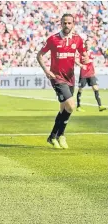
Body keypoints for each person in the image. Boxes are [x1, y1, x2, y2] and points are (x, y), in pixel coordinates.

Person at [37, 14, 89, 149]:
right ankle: (61, 135)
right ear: (61, 24)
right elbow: (40, 55)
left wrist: (85, 58)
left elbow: (83, 53)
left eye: (69, 23)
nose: (67, 25)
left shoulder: (77, 39)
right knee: (71, 106)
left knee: (63, 109)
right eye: (64, 23)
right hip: (57, 77)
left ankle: (52, 136)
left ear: (73, 24)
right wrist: (46, 71)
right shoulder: (53, 39)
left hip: (70, 78)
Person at [75, 39, 106, 112]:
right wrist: (81, 65)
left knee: (96, 88)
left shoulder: (93, 52)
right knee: (80, 89)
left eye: (88, 44)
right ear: (84, 44)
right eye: (86, 44)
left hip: (91, 73)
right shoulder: (81, 52)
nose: (87, 45)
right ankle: (78, 106)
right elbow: (75, 60)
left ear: (91, 45)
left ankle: (100, 106)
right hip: (83, 74)